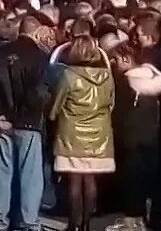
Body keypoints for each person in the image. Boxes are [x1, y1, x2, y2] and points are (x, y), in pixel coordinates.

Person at [0, 15, 50, 231]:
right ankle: (28, 222)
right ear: (36, 32)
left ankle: (0, 221)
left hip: (3, 121)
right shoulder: (39, 56)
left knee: (3, 175)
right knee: (30, 177)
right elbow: (38, 92)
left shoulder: (0, 53)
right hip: (28, 122)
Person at [51, 34, 115, 231]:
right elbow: (111, 104)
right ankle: (87, 223)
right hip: (99, 134)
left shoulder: (69, 75)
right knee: (90, 180)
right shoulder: (107, 75)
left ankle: (73, 224)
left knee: (74, 181)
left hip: (72, 134)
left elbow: (56, 106)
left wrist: (52, 116)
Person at [108, 42, 161, 231]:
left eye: (115, 59)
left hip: (130, 139)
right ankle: (140, 220)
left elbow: (118, 114)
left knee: (132, 181)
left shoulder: (126, 83)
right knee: (143, 182)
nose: (112, 63)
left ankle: (132, 222)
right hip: (150, 138)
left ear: (126, 59)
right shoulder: (152, 81)